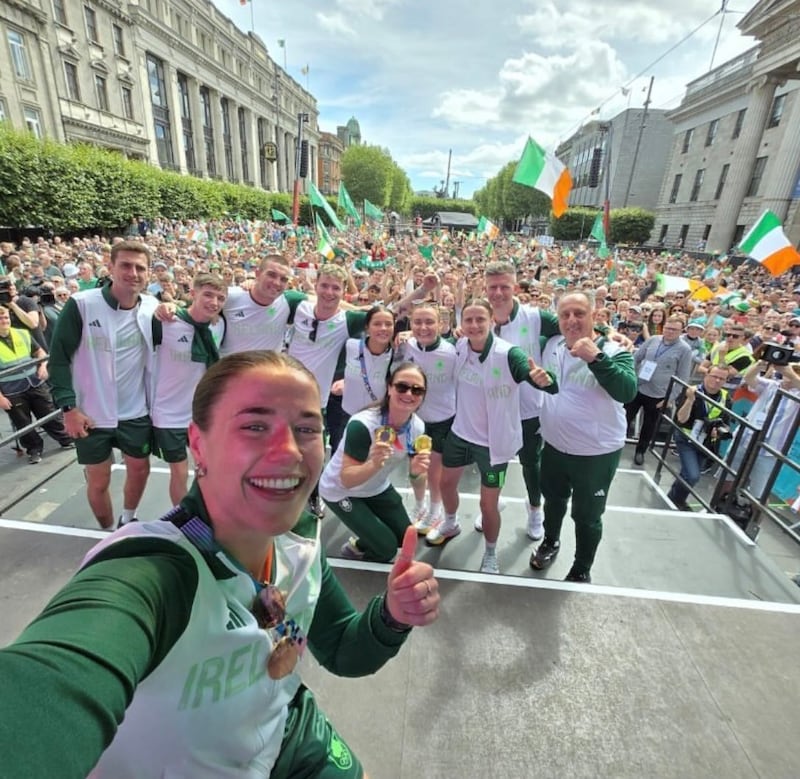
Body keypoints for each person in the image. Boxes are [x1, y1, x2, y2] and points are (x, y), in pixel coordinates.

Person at [0, 350, 439, 778]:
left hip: (286, 729)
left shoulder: (302, 539)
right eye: (254, 426)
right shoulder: (150, 572)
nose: (288, 450)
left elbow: (345, 650)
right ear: (198, 445)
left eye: (306, 428)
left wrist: (392, 616)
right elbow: (48, 685)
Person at [426, 299, 557, 575]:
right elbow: (429, 343)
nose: (474, 325)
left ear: (491, 322)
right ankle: (450, 523)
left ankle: (490, 552)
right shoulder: (460, 347)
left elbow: (528, 372)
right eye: (469, 320)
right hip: (460, 435)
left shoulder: (508, 354)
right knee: (445, 484)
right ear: (463, 324)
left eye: (480, 320)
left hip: (492, 445)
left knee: (488, 505)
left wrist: (542, 379)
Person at [48, 240, 158, 529]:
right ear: (110, 268)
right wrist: (68, 408)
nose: (133, 273)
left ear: (148, 275)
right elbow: (57, 359)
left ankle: (128, 520)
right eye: (125, 265)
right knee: (99, 481)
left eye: (140, 268)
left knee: (140, 469)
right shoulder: (82, 304)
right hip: (90, 414)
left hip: (135, 411)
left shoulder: (153, 308)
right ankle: (107, 532)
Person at [531, 291, 637, 583]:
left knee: (587, 516)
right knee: (553, 500)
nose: (571, 320)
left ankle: (581, 567)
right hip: (553, 445)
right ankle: (550, 541)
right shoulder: (550, 344)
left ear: (595, 314)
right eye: (564, 314)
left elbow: (627, 391)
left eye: (579, 313)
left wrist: (597, 357)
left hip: (596, 453)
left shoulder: (615, 351)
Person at [474, 260, 562, 540]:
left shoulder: (536, 318)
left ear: (515, 286)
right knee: (492, 462)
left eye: (504, 286)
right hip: (491, 408)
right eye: (492, 287)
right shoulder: (478, 320)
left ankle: (535, 507)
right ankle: (492, 500)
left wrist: (611, 335)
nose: (498, 292)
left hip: (528, 410)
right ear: (484, 288)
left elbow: (576, 327)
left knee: (530, 464)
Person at [320, 362, 430, 562]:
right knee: (386, 549)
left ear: (422, 396)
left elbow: (418, 474)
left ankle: (364, 540)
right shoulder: (363, 425)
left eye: (417, 390)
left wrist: (416, 474)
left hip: (375, 487)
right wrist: (374, 464)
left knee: (406, 538)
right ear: (389, 388)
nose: (408, 394)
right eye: (401, 387)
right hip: (341, 491)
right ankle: (361, 553)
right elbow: (347, 479)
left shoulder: (417, 427)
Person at [150, 273, 228, 504]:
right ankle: (182, 520)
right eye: (208, 295)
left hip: (201, 413)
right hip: (168, 412)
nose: (214, 302)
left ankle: (204, 512)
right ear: (193, 293)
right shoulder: (167, 321)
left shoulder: (218, 325)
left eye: (220, 298)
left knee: (207, 468)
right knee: (179, 471)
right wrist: (165, 306)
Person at [397, 302, 457, 534]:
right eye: (418, 322)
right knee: (415, 469)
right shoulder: (407, 346)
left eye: (429, 322)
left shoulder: (452, 351)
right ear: (411, 324)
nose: (423, 327)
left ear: (441, 324)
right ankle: (420, 506)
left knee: (434, 470)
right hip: (414, 420)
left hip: (442, 420)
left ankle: (435, 509)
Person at [0, 305, 74, 463]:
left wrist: (42, 365)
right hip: (11, 391)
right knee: (23, 423)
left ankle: (66, 439)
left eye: (5, 317)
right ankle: (34, 450)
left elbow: (39, 352)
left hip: (35, 382)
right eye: (0, 318)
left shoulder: (22, 333)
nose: (4, 321)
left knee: (48, 412)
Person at [328, 305, 396, 454]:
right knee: (339, 459)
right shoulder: (351, 345)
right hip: (346, 416)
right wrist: (342, 381)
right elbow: (336, 369)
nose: (383, 328)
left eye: (388, 324)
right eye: (377, 324)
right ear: (367, 327)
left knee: (372, 465)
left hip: (377, 420)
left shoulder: (398, 354)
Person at [626, 315, 693, 466]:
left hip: (659, 394)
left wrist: (669, 399)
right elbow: (636, 358)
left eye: (674, 329)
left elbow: (682, 377)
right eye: (668, 328)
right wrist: (632, 376)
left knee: (649, 425)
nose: (670, 332)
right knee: (625, 416)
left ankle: (640, 451)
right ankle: (614, 444)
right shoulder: (653, 339)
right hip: (638, 387)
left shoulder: (684, 349)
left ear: (681, 331)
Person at [666, 364, 732, 511]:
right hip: (686, 437)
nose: (717, 381)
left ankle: (674, 497)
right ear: (706, 375)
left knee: (689, 473)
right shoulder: (691, 390)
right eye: (714, 376)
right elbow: (681, 419)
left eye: (722, 378)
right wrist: (690, 400)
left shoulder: (726, 397)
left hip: (706, 441)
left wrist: (719, 431)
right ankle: (677, 499)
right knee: (693, 475)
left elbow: (726, 424)